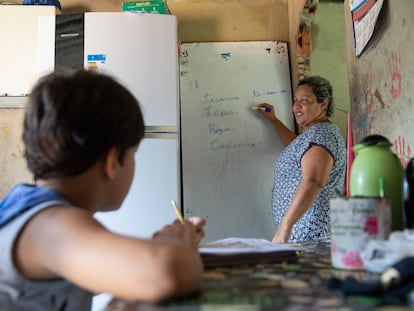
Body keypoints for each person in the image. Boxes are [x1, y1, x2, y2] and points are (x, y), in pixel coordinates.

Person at [0, 69, 206, 311]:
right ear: (111, 162)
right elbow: (169, 273)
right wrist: (178, 245)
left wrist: (154, 244)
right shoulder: (49, 224)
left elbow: (84, 274)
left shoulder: (27, 209)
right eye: (133, 155)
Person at [255, 75, 346, 243]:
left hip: (312, 234)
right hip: (303, 233)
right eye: (295, 100)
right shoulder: (314, 134)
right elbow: (296, 147)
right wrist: (274, 121)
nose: (297, 105)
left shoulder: (322, 133)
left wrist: (285, 227)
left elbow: (313, 181)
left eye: (305, 100)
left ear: (323, 104)